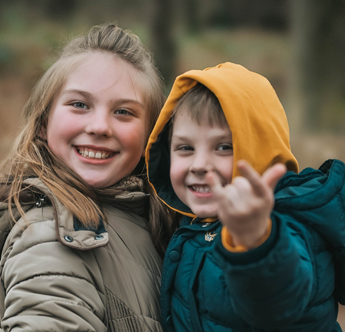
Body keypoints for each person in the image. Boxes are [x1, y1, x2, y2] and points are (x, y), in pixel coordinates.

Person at [0, 23, 176, 332]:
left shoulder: (149, 217)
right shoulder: (49, 240)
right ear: (43, 122)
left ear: (150, 137)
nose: (100, 127)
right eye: (79, 104)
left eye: (123, 112)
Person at [146, 62, 345, 331]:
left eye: (224, 147)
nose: (199, 164)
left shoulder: (283, 223)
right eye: (185, 148)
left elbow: (277, 302)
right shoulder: (196, 225)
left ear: (260, 151)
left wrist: (255, 240)